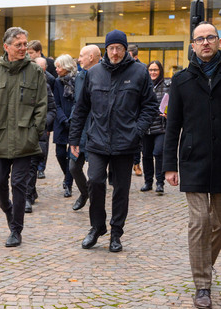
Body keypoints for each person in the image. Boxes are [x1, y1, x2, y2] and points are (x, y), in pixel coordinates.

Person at [69, 29, 158, 253]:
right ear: (105, 50)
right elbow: (81, 108)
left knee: (121, 189)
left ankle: (116, 232)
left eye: (119, 48)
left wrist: (137, 130)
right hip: (97, 140)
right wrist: (74, 138)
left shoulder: (139, 72)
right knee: (95, 182)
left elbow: (150, 106)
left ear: (125, 49)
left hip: (125, 143)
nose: (115, 52)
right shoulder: (94, 73)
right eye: (111, 48)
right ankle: (97, 227)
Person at [163, 21, 221, 309]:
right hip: (193, 160)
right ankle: (202, 285)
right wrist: (169, 165)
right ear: (193, 45)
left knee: (219, 223)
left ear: (218, 41)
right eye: (200, 39)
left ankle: (203, 267)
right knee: (200, 222)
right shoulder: (181, 80)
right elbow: (172, 126)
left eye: (211, 37)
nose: (206, 42)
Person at [0, 26, 47, 247]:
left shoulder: (36, 72)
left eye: (25, 44)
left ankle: (16, 229)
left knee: (19, 184)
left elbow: (41, 105)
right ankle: (9, 212)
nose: (23, 48)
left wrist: (34, 132)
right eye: (18, 44)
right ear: (6, 46)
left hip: (24, 140)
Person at [68, 45, 101, 211]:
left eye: (81, 56)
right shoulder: (80, 76)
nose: (78, 59)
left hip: (98, 131)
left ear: (91, 57)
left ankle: (96, 204)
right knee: (73, 167)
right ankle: (85, 192)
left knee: (96, 174)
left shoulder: (105, 73)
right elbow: (78, 104)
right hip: (81, 129)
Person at [25, 57, 57, 213]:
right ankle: (30, 192)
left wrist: (42, 124)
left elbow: (52, 109)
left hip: (37, 133)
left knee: (31, 165)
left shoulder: (44, 86)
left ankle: (26, 197)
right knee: (21, 167)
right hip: (20, 132)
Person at [140, 60, 168, 194]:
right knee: (146, 156)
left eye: (155, 70)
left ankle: (160, 183)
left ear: (160, 71)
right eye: (150, 70)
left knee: (158, 153)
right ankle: (148, 182)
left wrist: (169, 113)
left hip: (161, 127)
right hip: (146, 127)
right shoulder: (143, 86)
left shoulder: (168, 86)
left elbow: (172, 104)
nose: (153, 72)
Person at [53, 54, 77, 198]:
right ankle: (66, 175)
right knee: (60, 154)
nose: (56, 69)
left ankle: (68, 184)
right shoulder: (57, 82)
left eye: (59, 66)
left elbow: (79, 101)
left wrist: (73, 119)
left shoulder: (79, 79)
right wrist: (63, 120)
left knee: (71, 156)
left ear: (66, 67)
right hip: (61, 122)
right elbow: (56, 103)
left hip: (75, 122)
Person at [35, 56, 56, 180]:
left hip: (44, 123)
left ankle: (41, 168)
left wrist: (47, 123)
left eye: (42, 67)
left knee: (43, 146)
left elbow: (52, 104)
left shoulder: (50, 80)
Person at [128, 44, 143, 177]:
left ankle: (136, 163)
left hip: (138, 110)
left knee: (137, 139)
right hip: (127, 111)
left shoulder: (142, 70)